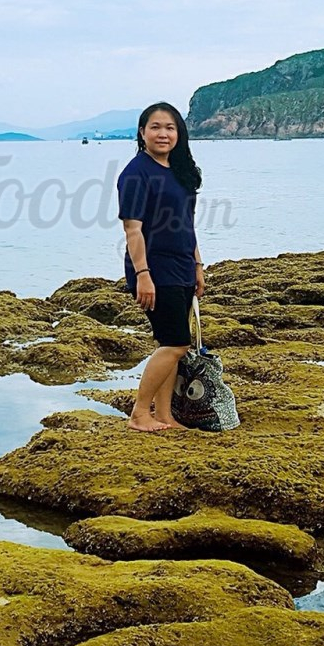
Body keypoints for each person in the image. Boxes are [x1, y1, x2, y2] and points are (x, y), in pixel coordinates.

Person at [117, 102, 205, 431]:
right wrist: (143, 274)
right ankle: (140, 413)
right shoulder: (136, 173)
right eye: (155, 127)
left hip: (182, 266)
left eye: (170, 127)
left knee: (170, 344)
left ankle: (164, 415)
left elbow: (187, 224)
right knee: (177, 343)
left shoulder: (180, 171)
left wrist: (197, 264)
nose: (163, 133)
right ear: (142, 133)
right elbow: (132, 229)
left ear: (179, 133)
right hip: (155, 270)